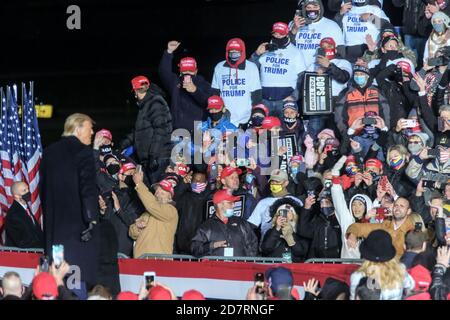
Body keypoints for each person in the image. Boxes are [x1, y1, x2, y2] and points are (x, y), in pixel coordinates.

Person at [40, 113, 100, 295]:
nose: (92, 133)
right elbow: (88, 188)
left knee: (58, 280)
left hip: (55, 233)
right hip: (78, 232)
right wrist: (91, 218)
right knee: (77, 286)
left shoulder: (49, 152)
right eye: (90, 129)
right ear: (78, 128)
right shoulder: (83, 152)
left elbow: (43, 190)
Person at [120, 75, 173, 184]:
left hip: (159, 156)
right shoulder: (145, 104)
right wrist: (123, 144)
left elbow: (161, 130)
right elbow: (139, 131)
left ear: (135, 91)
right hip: (149, 157)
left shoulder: (155, 103)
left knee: (157, 190)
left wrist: (153, 155)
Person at [250, 22, 306, 117]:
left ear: (287, 33)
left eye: (281, 34)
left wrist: (295, 96)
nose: (278, 36)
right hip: (264, 100)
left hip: (285, 101)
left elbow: (302, 77)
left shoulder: (295, 52)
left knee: (286, 129)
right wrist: (256, 54)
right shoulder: (264, 49)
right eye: (275, 33)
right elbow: (249, 70)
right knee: (264, 130)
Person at [158, 41, 212, 133]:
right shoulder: (175, 81)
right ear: (180, 71)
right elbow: (164, 72)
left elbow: (208, 103)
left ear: (196, 71)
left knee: (198, 147)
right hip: (177, 129)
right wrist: (168, 52)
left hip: (198, 129)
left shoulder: (203, 84)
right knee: (176, 148)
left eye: (190, 71)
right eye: (185, 70)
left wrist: (194, 90)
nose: (187, 74)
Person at [334, 65, 391, 148]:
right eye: (356, 74)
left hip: (376, 134)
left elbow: (385, 111)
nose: (358, 76)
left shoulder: (376, 91)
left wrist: (385, 129)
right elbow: (339, 115)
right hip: (355, 135)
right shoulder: (346, 93)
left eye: (361, 74)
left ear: (367, 76)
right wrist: (347, 133)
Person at [349, 229, 415, 300]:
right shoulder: (400, 271)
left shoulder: (357, 276)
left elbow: (353, 297)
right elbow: (411, 286)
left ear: (366, 253)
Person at [191, 189, 258, 257]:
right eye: (230, 202)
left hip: (239, 266)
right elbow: (195, 249)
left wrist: (247, 262)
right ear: (219, 204)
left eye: (233, 202)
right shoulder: (206, 227)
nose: (233, 205)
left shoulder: (241, 223)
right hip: (217, 267)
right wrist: (212, 245)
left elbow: (253, 243)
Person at [212, 38, 262, 127]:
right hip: (224, 117)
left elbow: (256, 95)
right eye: (231, 50)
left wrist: (254, 116)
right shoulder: (219, 67)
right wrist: (216, 114)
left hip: (245, 119)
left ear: (242, 51)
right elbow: (215, 93)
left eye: (237, 51)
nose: (234, 53)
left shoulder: (251, 67)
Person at [129, 171, 178, 258]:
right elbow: (132, 233)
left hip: (159, 261)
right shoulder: (147, 213)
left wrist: (139, 184)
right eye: (157, 192)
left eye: (162, 193)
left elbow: (151, 205)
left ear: (169, 198)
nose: (158, 195)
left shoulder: (171, 211)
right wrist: (137, 227)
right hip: (141, 259)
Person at [346, 197, 415, 258]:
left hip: (400, 270)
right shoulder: (384, 225)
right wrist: (352, 235)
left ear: (408, 211)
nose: (397, 208)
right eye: (396, 205)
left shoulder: (412, 231)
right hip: (380, 269)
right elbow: (357, 227)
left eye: (401, 206)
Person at [247, 169, 303, 240]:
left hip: (292, 244)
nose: (274, 184)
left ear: (286, 183)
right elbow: (252, 225)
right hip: (268, 246)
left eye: (277, 181)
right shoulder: (263, 202)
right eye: (272, 181)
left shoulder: (296, 201)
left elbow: (302, 225)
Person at [289, 0, 345, 69]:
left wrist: (326, 61)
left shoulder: (332, 25)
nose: (312, 10)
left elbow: (341, 52)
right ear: (304, 9)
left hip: (319, 70)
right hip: (297, 69)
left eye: (315, 6)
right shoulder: (293, 24)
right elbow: (286, 48)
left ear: (320, 8)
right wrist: (294, 30)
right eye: (308, 7)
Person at [261, 198, 309, 262]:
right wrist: (277, 228)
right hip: (275, 267)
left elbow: (302, 252)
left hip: (295, 268)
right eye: (281, 211)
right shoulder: (271, 231)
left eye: (288, 211)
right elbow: (266, 248)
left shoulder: (301, 231)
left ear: (294, 214)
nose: (285, 214)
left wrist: (291, 239)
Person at [175, 171, 212, 254]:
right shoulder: (185, 197)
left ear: (206, 183)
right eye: (195, 180)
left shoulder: (210, 199)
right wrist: (183, 184)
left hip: (202, 246)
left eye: (201, 180)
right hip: (183, 245)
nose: (198, 182)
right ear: (191, 181)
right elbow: (173, 200)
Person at [393, 0, 432, 68]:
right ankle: (409, 77)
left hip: (424, 32)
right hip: (409, 32)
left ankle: (421, 77)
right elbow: (397, 3)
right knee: (409, 61)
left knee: (423, 61)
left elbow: (433, 4)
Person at [4, 181, 44, 249]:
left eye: (28, 189)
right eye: (24, 190)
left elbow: (35, 232)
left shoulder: (26, 209)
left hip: (36, 252)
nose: (28, 192)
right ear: (16, 196)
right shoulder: (13, 215)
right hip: (22, 256)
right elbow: (22, 243)